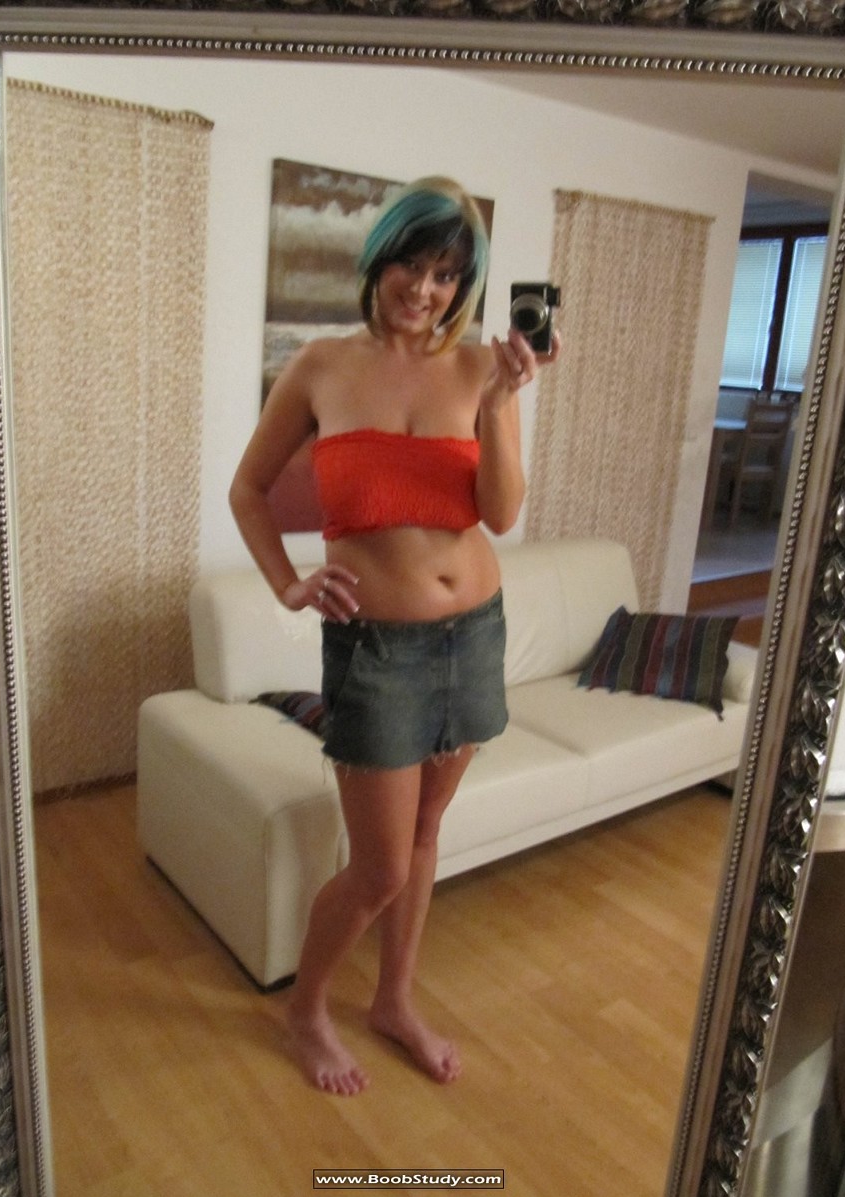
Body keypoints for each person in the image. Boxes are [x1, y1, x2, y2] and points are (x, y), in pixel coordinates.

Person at [229, 175, 559, 1097]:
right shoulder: (320, 367)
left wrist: (503, 402)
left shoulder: (483, 371)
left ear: (465, 286)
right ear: (380, 261)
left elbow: (500, 513)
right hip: (377, 650)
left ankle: (394, 1001)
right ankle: (306, 1010)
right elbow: (248, 490)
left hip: (474, 636)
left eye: (448, 275)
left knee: (423, 834)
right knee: (376, 869)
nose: (426, 289)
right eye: (413, 264)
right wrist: (288, 583)